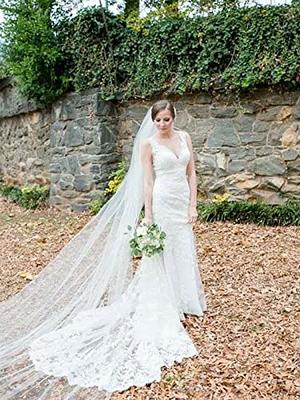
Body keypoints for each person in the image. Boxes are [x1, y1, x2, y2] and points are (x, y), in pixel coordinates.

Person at [0, 100, 207, 399]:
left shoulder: (184, 138)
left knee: (183, 248)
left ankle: (185, 297)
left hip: (181, 202)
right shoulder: (148, 145)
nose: (163, 124)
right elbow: (148, 182)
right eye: (159, 120)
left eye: (167, 119)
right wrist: (147, 216)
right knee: (161, 253)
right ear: (153, 121)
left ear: (174, 118)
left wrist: (192, 205)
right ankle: (166, 303)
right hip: (161, 202)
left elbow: (192, 174)